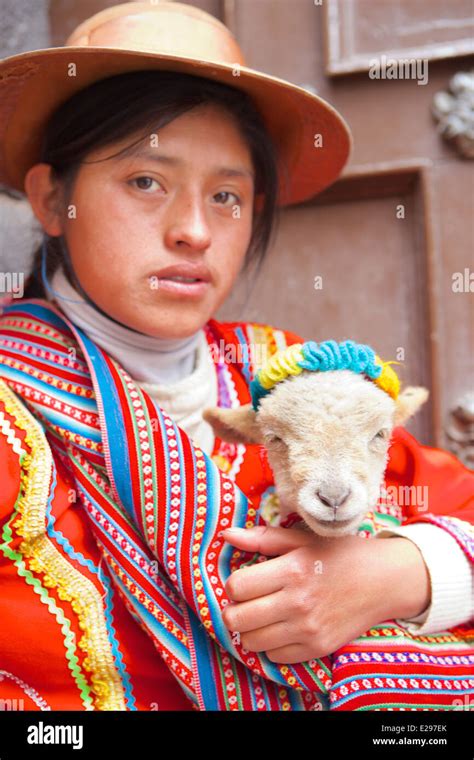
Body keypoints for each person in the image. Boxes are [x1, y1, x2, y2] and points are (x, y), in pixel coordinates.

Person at [0, 1, 472, 712]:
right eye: (145, 182)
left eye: (226, 195)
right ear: (51, 197)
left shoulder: (294, 381)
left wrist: (403, 571)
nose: (193, 230)